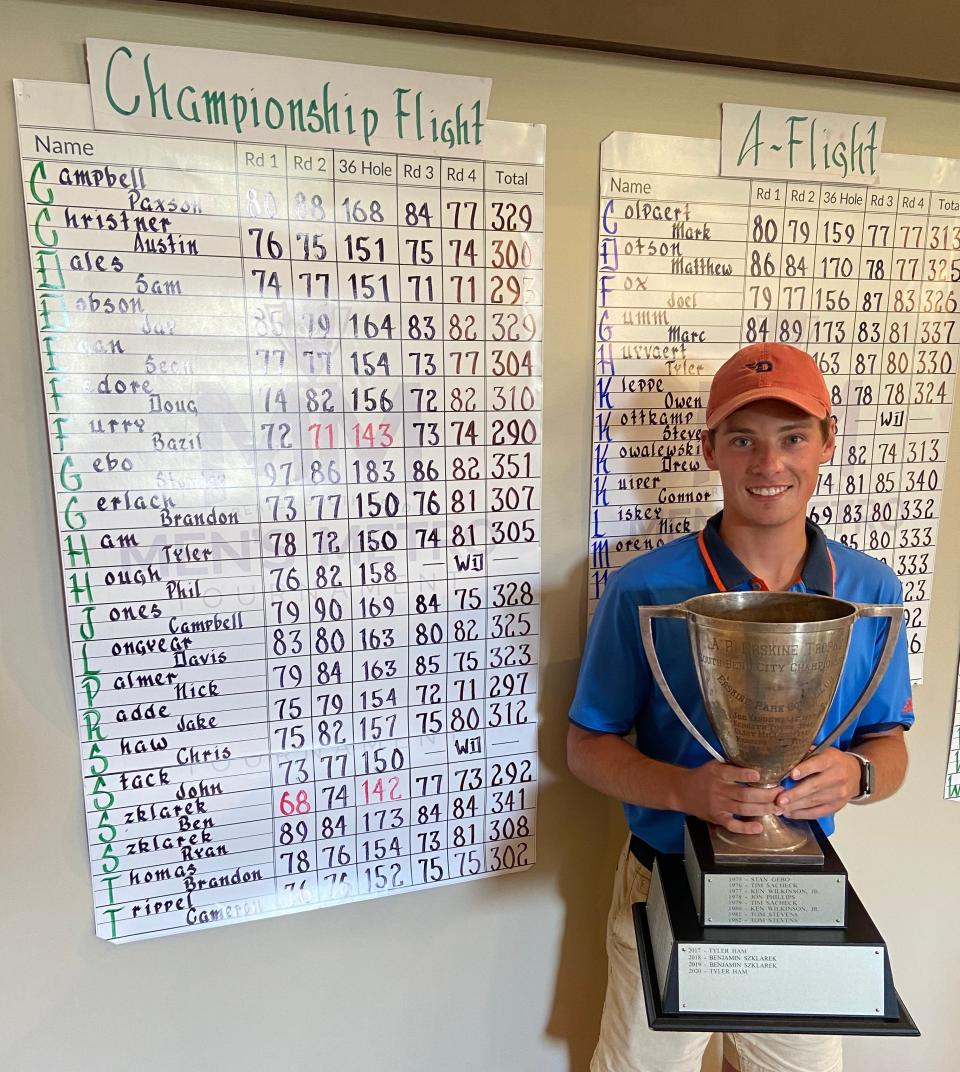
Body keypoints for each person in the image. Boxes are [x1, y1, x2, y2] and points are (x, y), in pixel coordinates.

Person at [568, 342, 914, 1072]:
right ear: (710, 450)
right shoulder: (647, 587)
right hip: (662, 875)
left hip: (800, 885)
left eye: (792, 438)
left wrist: (855, 776)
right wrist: (683, 789)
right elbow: (587, 744)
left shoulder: (866, 589)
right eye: (743, 440)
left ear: (827, 442)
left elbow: (891, 742)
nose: (769, 464)